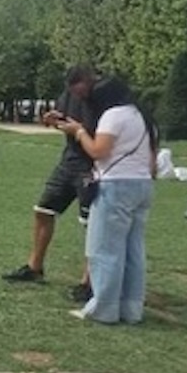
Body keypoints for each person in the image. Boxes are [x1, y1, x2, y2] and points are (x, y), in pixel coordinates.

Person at [63, 77, 157, 324]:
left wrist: (80, 132)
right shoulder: (144, 118)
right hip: (142, 185)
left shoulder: (114, 116)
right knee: (133, 250)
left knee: (105, 249)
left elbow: (98, 151)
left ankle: (104, 308)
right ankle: (131, 308)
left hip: (115, 185)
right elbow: (152, 161)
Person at [4, 65, 97, 290]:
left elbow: (103, 136)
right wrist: (52, 120)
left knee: (92, 225)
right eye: (72, 90)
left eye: (80, 89)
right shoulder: (69, 94)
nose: (76, 95)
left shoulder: (102, 101)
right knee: (43, 211)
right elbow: (64, 121)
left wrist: (79, 130)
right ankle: (35, 267)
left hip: (92, 166)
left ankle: (89, 281)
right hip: (68, 162)